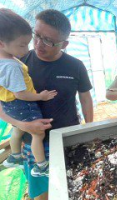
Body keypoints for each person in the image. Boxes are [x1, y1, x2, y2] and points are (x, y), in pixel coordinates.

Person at [0, 9, 93, 200]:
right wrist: (22, 125)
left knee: (74, 186)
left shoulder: (75, 66)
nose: (38, 44)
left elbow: (85, 98)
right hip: (34, 142)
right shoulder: (16, 62)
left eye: (49, 41)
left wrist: (89, 128)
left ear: (64, 44)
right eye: (37, 35)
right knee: (43, 193)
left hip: (69, 137)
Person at [0, 8, 58, 177]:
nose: (27, 49)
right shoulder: (10, 66)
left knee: (17, 128)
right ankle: (40, 166)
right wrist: (41, 96)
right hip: (22, 104)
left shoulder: (5, 59)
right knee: (38, 133)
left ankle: (15, 155)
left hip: (10, 106)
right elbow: (21, 94)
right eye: (22, 45)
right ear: (2, 43)